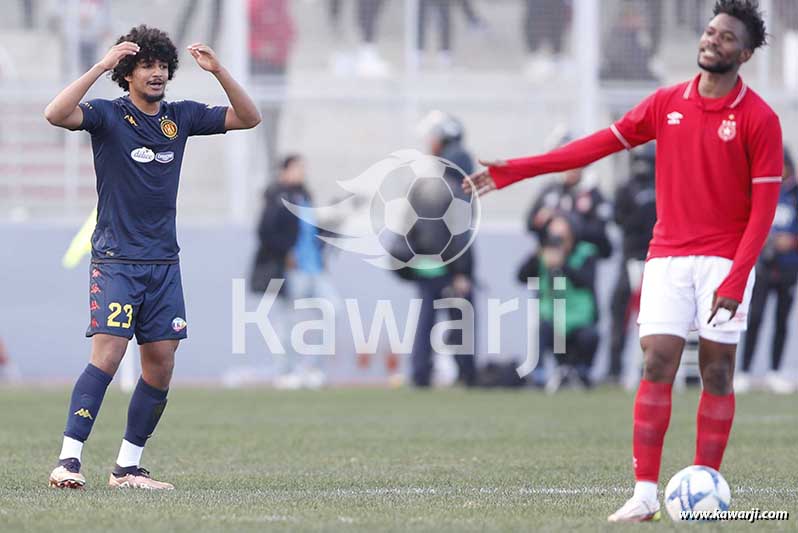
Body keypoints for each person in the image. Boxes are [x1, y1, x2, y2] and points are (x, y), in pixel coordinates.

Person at [465, 1, 780, 522]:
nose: (712, 41)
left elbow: (764, 211)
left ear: (744, 53)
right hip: (667, 257)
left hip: (725, 261)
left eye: (726, 38)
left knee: (716, 372)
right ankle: (645, 493)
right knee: (656, 361)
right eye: (709, 32)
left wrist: (739, 273)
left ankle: (704, 487)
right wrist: (517, 170)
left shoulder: (759, 120)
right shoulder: (665, 104)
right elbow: (590, 149)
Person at [43, 25, 260, 490]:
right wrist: (100, 66)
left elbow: (249, 118)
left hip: (164, 263)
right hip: (117, 259)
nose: (157, 72)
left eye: (162, 65)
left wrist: (220, 71)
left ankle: (127, 467)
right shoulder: (107, 114)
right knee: (108, 354)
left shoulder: (180, 117)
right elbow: (56, 113)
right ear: (128, 73)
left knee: (161, 361)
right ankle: (69, 459)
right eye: (147, 65)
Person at [250, 155, 338, 389]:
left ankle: (312, 368)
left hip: (315, 269)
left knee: (332, 310)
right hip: (292, 270)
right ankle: (285, 372)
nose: (302, 172)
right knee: (288, 322)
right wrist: (285, 254)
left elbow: (312, 230)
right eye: (297, 168)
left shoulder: (305, 196)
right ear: (284, 171)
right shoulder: (276, 196)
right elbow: (265, 232)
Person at [403, 111, 476, 387]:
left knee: (426, 323)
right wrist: (462, 270)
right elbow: (460, 232)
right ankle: (466, 374)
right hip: (446, 265)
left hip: (428, 264)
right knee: (460, 321)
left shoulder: (431, 178)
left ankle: (421, 373)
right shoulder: (453, 180)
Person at [737, 148, 798, 394]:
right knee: (755, 317)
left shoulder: (795, 194)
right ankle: (744, 370)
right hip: (762, 265)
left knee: (781, 320)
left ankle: (775, 370)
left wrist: (791, 241)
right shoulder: (761, 189)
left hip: (788, 266)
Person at [517, 213, 599, 391]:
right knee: (542, 329)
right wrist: (537, 255)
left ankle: (583, 373)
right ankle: (537, 376)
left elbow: (586, 281)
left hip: (578, 319)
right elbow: (521, 276)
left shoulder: (585, 253)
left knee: (590, 336)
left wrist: (563, 265)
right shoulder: (543, 253)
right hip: (553, 320)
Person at [608, 142, 657, 383]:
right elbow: (619, 219)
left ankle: (650, 368)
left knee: (656, 317)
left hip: (659, 260)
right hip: (631, 258)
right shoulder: (626, 189)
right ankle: (614, 369)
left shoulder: (665, 186)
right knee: (620, 311)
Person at [525, 132, 613, 260]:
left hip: (579, 260)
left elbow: (600, 230)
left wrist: (568, 225)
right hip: (550, 256)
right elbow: (530, 222)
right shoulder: (550, 190)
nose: (571, 169)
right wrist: (543, 220)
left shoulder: (592, 193)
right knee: (534, 276)